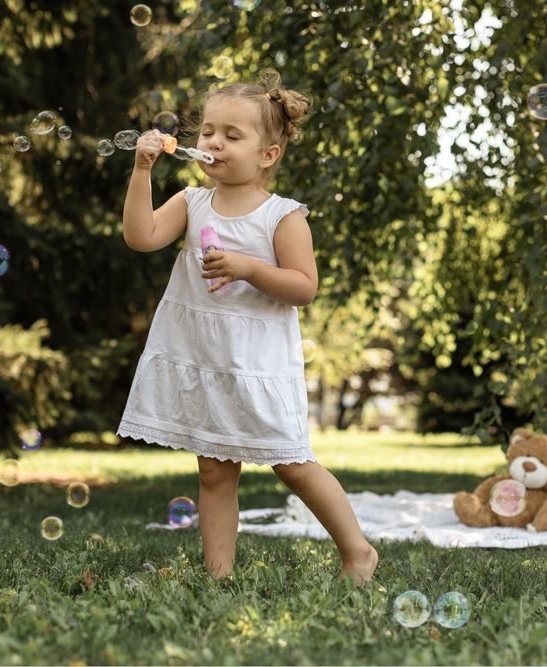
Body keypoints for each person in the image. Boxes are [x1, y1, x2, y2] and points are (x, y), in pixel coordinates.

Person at [117, 80, 378, 586]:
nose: (213, 143)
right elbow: (140, 235)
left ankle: (358, 551)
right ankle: (219, 578)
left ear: (267, 154)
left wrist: (246, 267)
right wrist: (141, 170)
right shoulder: (192, 201)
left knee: (292, 463)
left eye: (231, 136)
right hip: (207, 360)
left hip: (257, 366)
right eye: (208, 131)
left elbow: (303, 287)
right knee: (214, 472)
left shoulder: (282, 216)